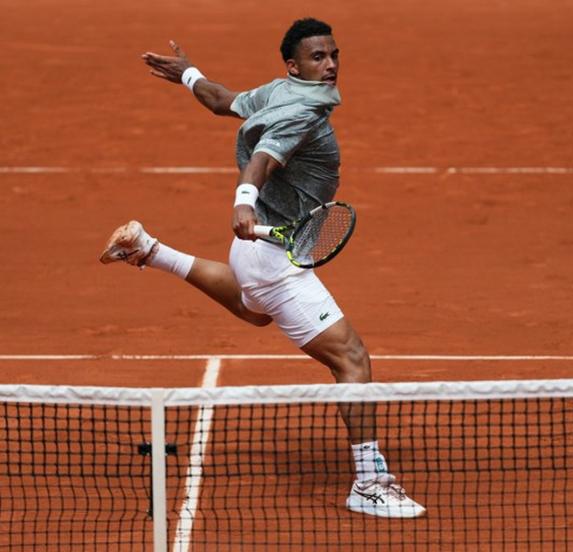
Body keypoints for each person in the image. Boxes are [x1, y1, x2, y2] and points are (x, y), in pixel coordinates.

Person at [100, 17, 424, 519]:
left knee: (254, 309)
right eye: (319, 58)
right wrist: (245, 200)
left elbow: (220, 100)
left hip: (254, 255)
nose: (332, 64)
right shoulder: (304, 112)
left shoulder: (278, 91)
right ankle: (369, 481)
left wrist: (189, 73)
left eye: (335, 55)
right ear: (295, 65)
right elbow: (264, 160)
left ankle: (150, 250)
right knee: (352, 360)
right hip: (275, 256)